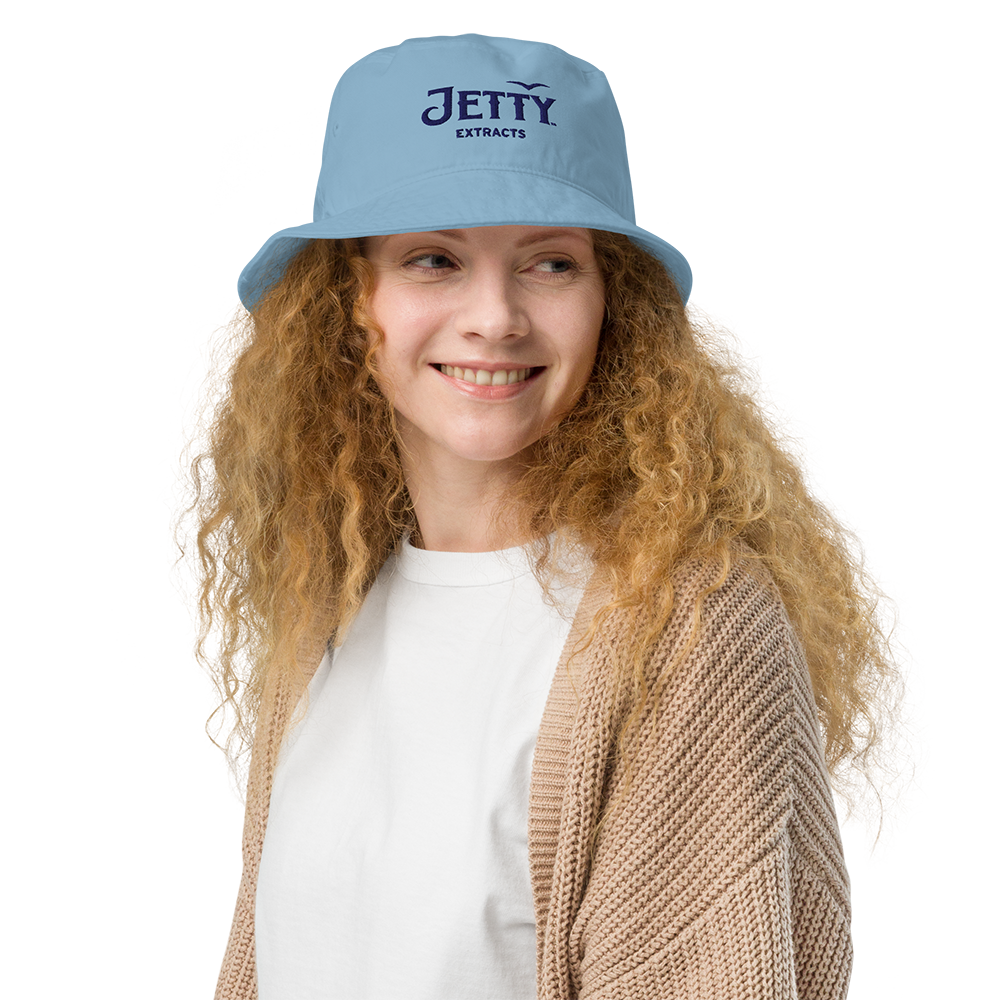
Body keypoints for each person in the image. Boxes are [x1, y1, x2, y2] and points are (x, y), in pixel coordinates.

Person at [165, 34, 932, 1000]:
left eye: (550, 264)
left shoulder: (686, 629)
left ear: (616, 302)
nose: (495, 317)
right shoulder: (323, 605)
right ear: (348, 304)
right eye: (434, 258)